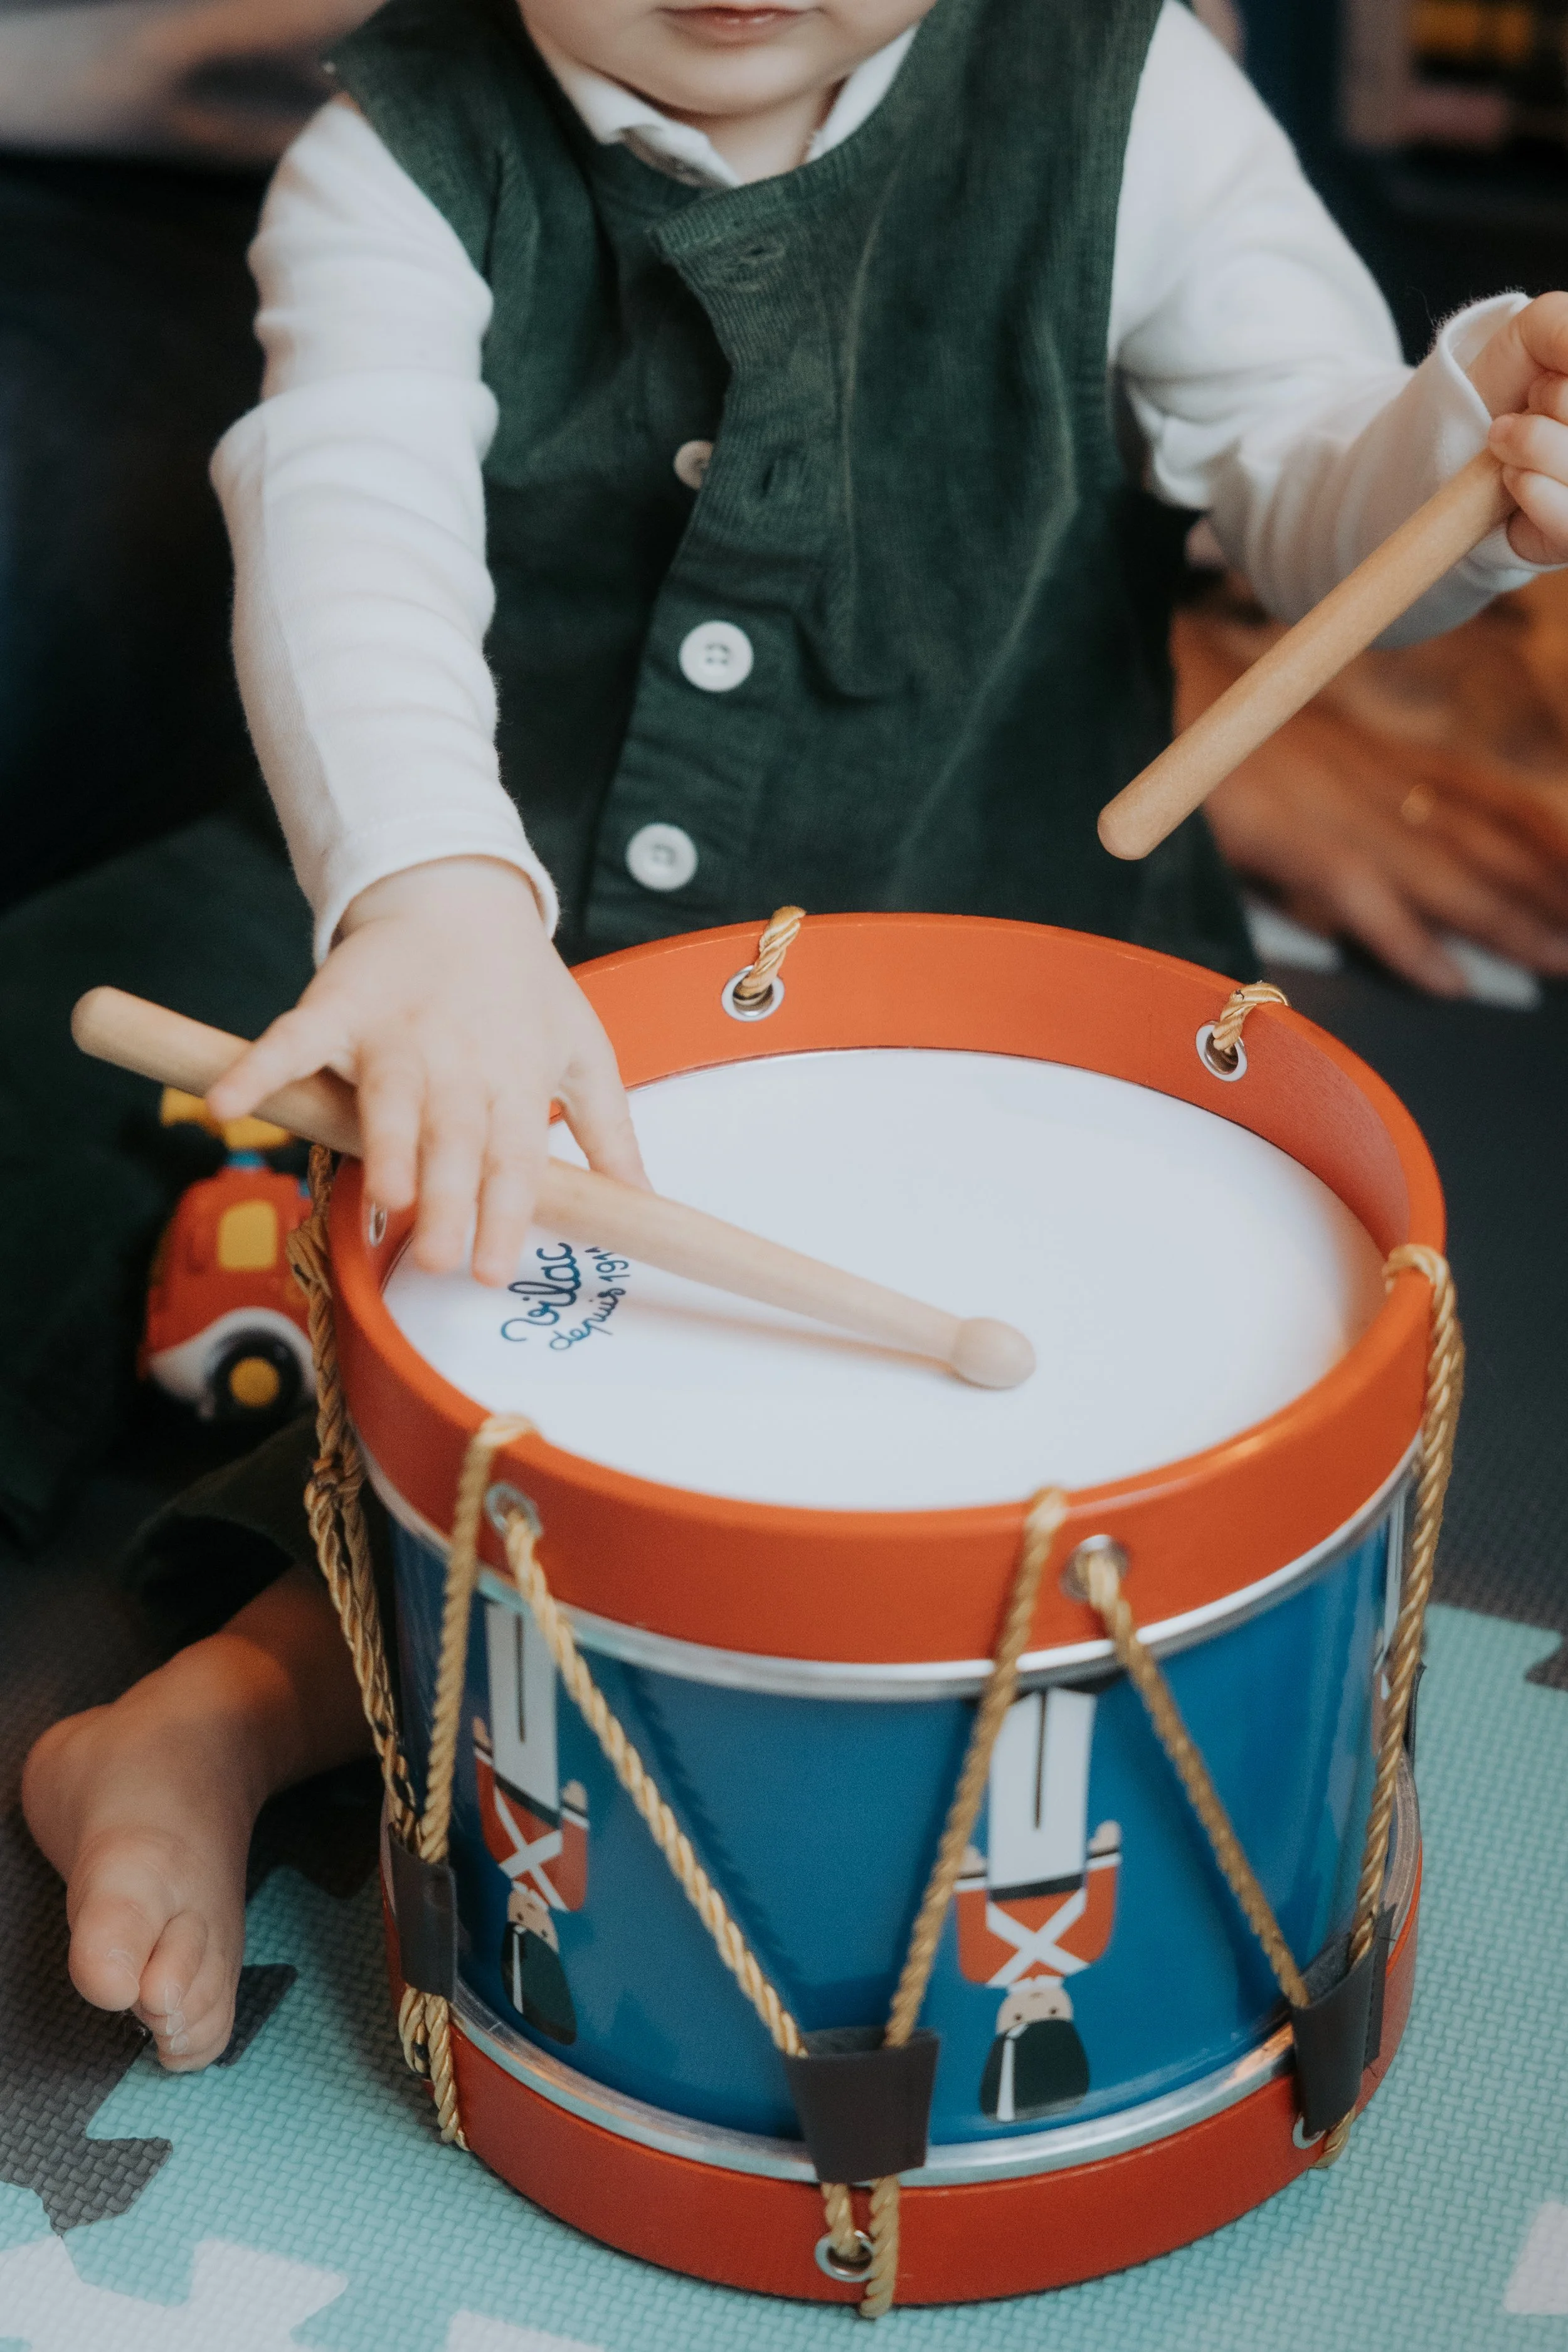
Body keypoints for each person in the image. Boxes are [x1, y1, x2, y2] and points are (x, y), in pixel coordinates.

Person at [23, 0, 1568, 2074]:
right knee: (62, 1077)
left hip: (986, 938)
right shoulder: (398, 151)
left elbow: (1303, 493)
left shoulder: (1132, 95)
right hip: (503, 896)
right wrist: (427, 888)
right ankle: (211, 1698)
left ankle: (230, 1699)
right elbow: (341, 509)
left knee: (820, 1445)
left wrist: (1466, 449)